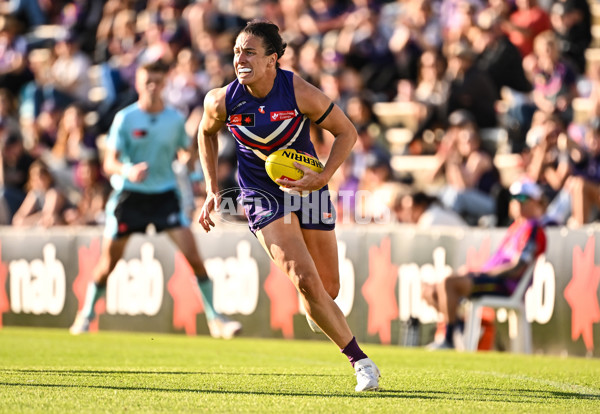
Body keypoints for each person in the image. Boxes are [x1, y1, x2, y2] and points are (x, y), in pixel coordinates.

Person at [196, 20, 380, 392]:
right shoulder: (221, 100)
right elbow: (204, 133)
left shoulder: (297, 91)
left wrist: (323, 176)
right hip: (260, 196)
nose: (240, 59)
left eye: (249, 52)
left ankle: (314, 304)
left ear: (272, 60)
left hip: (308, 187)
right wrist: (212, 189)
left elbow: (347, 131)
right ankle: (361, 362)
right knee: (304, 278)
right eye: (236, 51)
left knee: (327, 289)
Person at [69, 60, 242, 340]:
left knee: (195, 258)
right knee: (107, 264)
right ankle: (86, 314)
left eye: (158, 81)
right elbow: (109, 163)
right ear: (138, 83)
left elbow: (184, 153)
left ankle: (215, 319)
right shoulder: (125, 119)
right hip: (131, 197)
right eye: (147, 80)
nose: (152, 86)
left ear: (165, 83)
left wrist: (187, 160)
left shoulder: (173, 120)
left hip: (164, 196)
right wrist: (128, 170)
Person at [423, 179, 547, 350]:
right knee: (429, 291)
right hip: (491, 278)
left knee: (447, 283)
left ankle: (449, 339)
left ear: (535, 201)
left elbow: (518, 266)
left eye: (523, 197)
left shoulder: (532, 228)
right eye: (514, 197)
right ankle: (462, 328)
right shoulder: (516, 227)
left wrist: (485, 274)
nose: (517, 202)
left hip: (505, 284)